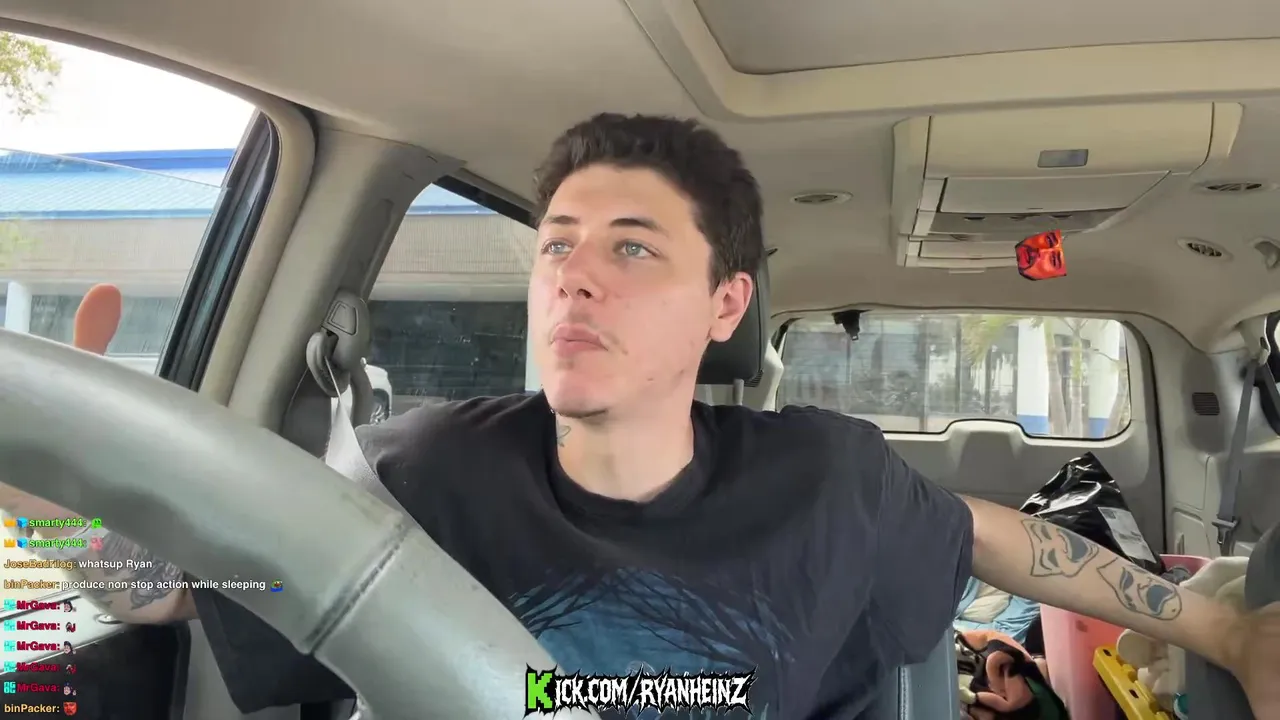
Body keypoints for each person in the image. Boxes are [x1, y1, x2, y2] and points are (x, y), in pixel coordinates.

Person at [1, 113, 1278, 718]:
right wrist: (52, 494)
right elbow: (195, 589)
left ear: (725, 305)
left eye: (630, 247)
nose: (572, 277)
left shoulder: (825, 481)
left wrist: (1218, 623)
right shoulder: (421, 472)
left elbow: (993, 535)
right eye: (556, 245)